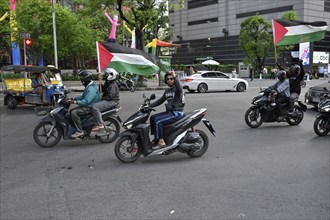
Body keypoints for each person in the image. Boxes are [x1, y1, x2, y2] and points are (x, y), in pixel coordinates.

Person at [149, 70, 185, 150]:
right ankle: (157, 138)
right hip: (169, 112)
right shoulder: (167, 91)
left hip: (177, 113)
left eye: (171, 79)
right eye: (167, 79)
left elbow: (179, 87)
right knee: (153, 118)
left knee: (158, 121)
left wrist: (175, 77)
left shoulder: (177, 89)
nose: (169, 80)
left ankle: (162, 142)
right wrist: (149, 105)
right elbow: (160, 101)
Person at [70, 70, 100, 138]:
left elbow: (86, 101)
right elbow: (83, 97)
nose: (81, 79)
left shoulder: (91, 89)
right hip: (88, 105)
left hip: (89, 107)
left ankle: (80, 131)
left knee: (74, 112)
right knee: (72, 110)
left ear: (86, 78)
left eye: (82, 77)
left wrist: (75, 102)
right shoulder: (89, 87)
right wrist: (74, 98)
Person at [91, 67, 120, 132]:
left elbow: (110, 96)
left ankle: (99, 124)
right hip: (108, 99)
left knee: (95, 107)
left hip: (112, 101)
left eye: (106, 74)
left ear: (111, 76)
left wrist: (102, 99)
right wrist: (100, 81)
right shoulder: (108, 83)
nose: (105, 75)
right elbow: (103, 89)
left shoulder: (113, 85)